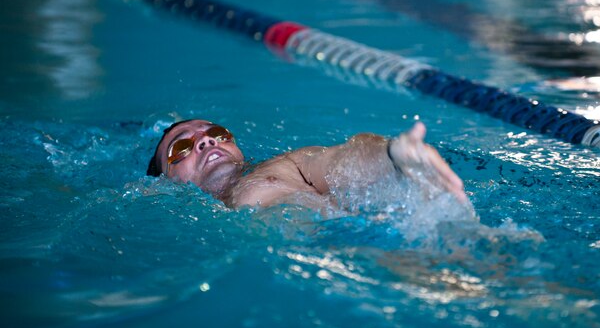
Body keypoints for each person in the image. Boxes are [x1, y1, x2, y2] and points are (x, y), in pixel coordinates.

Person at [147, 119, 467, 209]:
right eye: (182, 147)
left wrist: (393, 154)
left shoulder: (286, 165)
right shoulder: (162, 210)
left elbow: (339, 161)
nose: (207, 141)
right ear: (165, 181)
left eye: (217, 133)